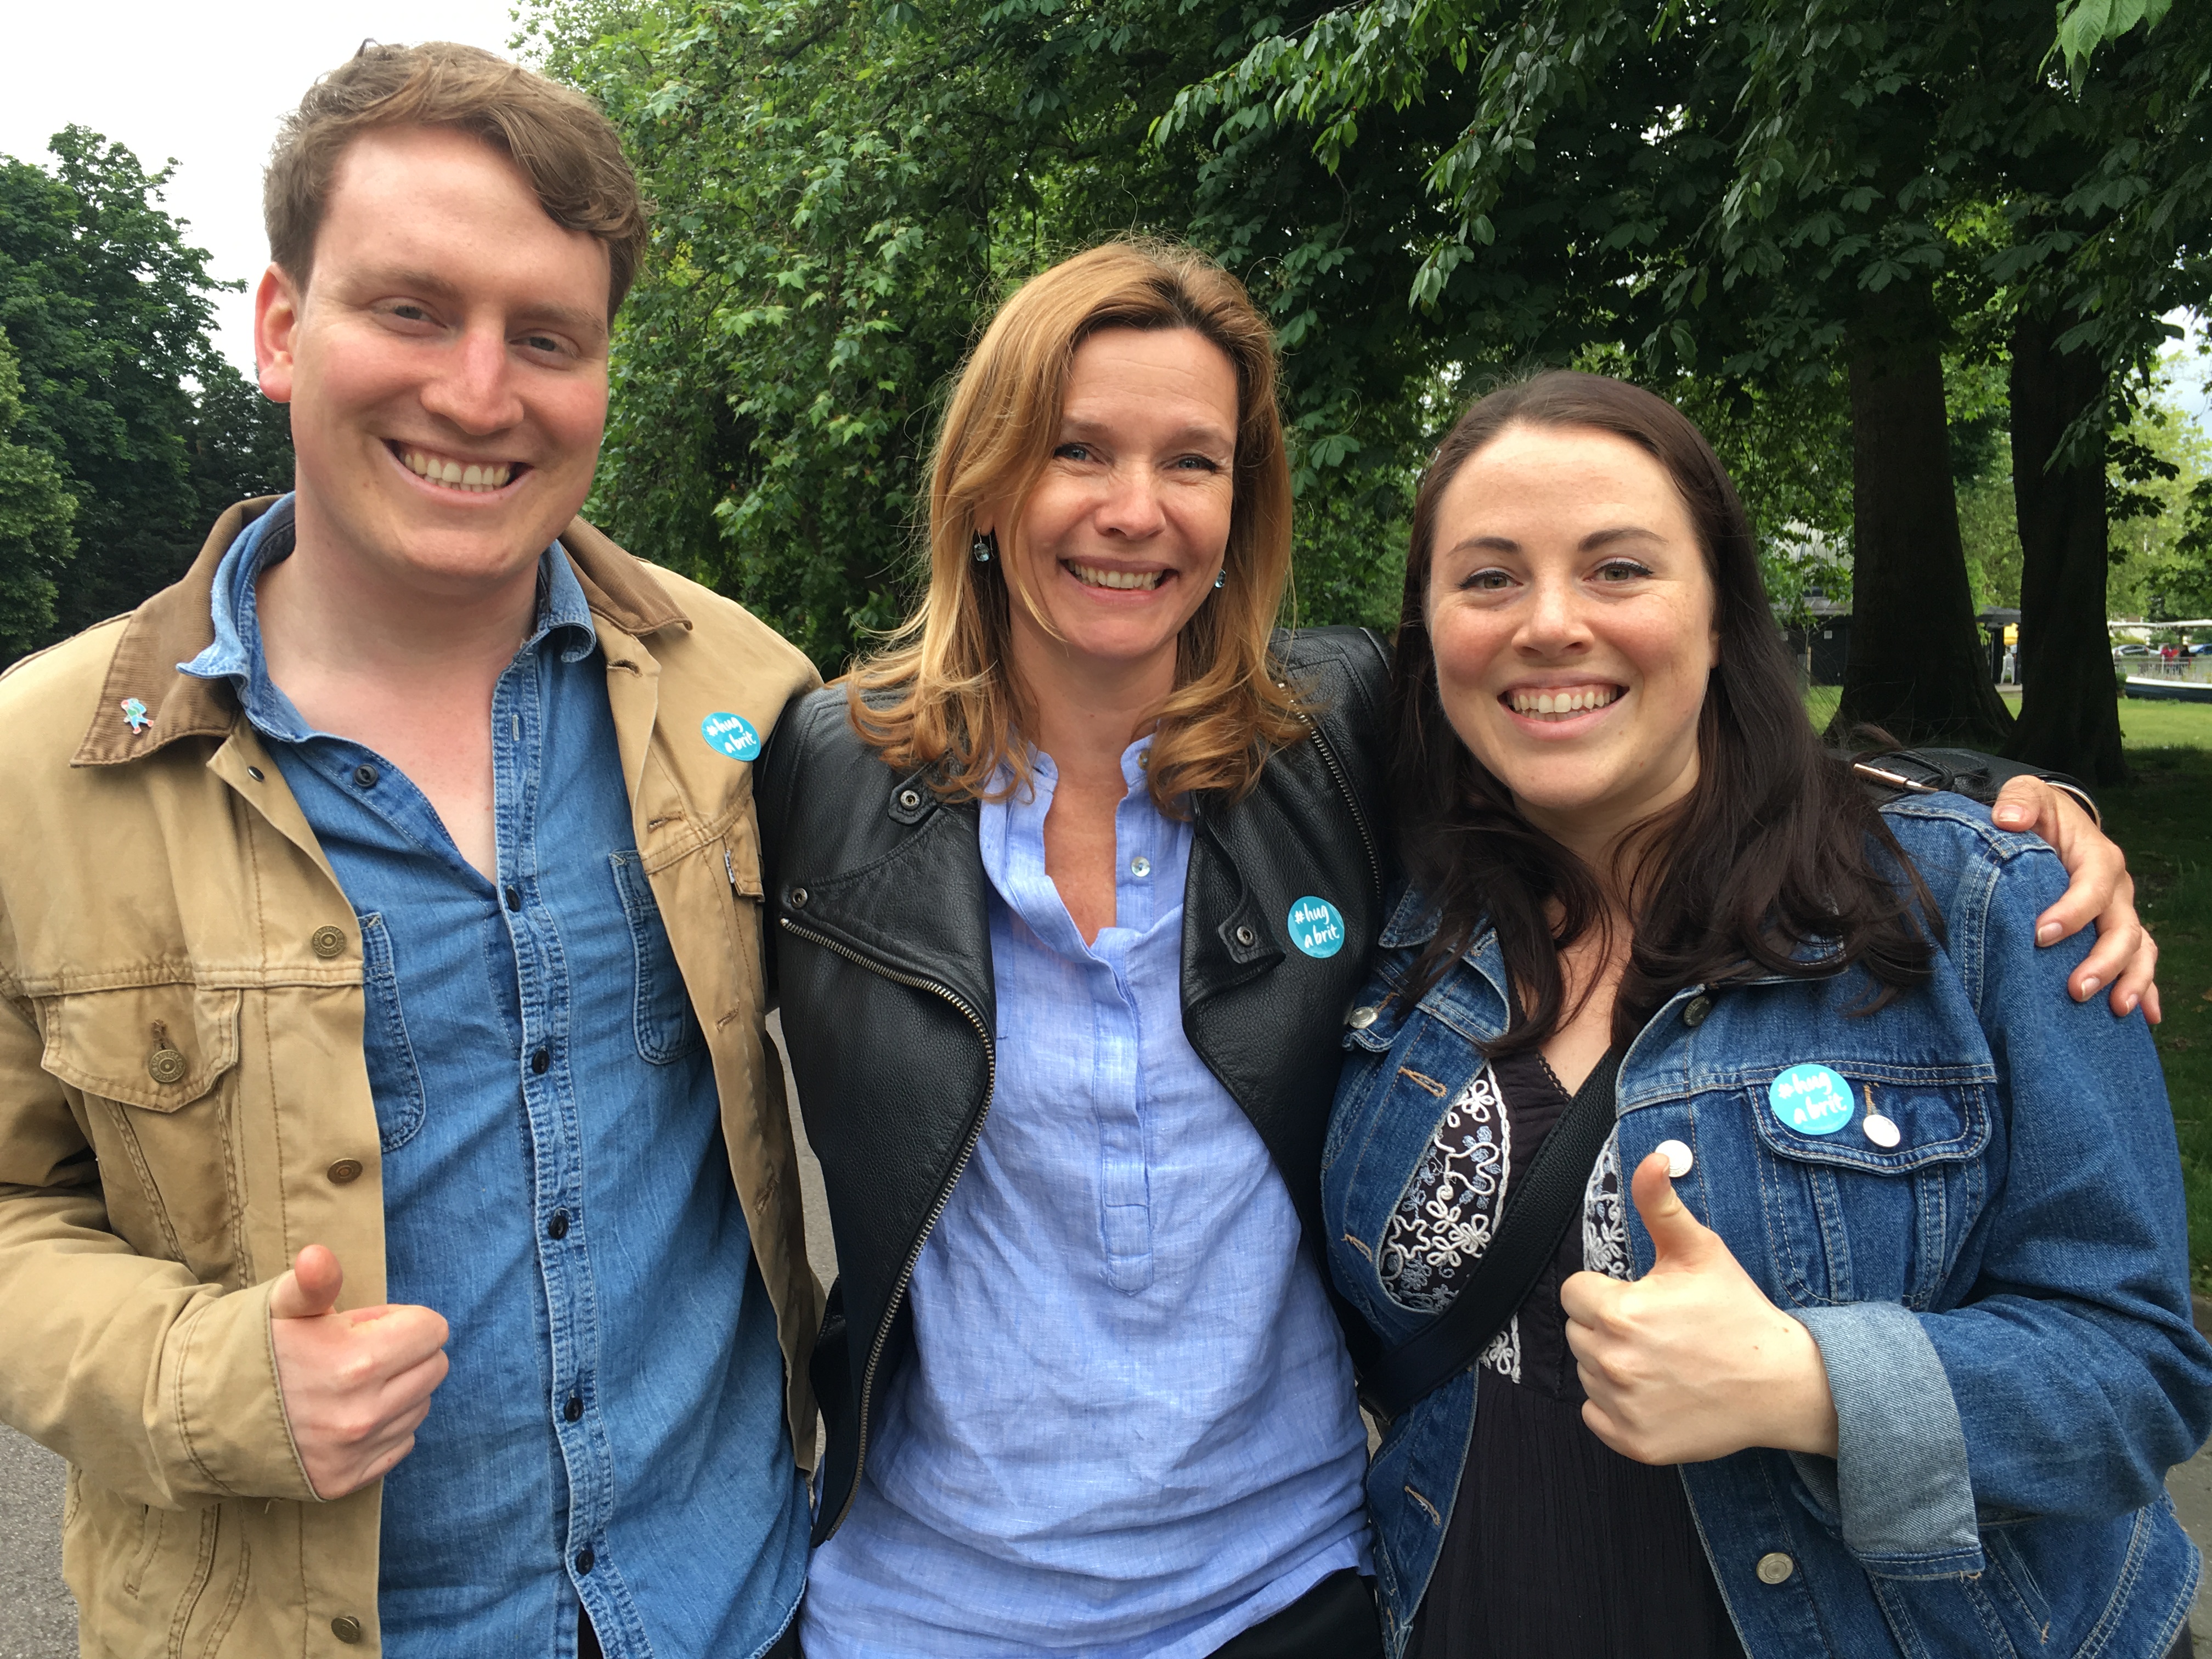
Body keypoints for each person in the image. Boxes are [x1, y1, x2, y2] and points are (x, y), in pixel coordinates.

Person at [755, 243, 2151, 1657]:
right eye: (1076, 449)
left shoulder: (1327, 744)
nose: (1135, 510)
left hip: (1293, 1587)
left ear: (1243, 506)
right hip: (926, 1602)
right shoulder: (827, 769)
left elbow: (1630, 737)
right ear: (986, 480)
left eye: (1193, 460)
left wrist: (2021, 809)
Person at [0, 44, 817, 1658]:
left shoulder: (751, 697)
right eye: (413, 310)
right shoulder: (37, 768)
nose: (477, 392)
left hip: (739, 1608)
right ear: (283, 328)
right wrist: (204, 1377)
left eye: (547, 338)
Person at [1324, 370, 2211, 1659]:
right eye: (1489, 577)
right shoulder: (1390, 913)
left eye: (1620, 568)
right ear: (1429, 633)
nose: (1550, 623)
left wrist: (1813, 1386)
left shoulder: (1978, 910)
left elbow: (2138, 1375)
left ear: (1721, 610)